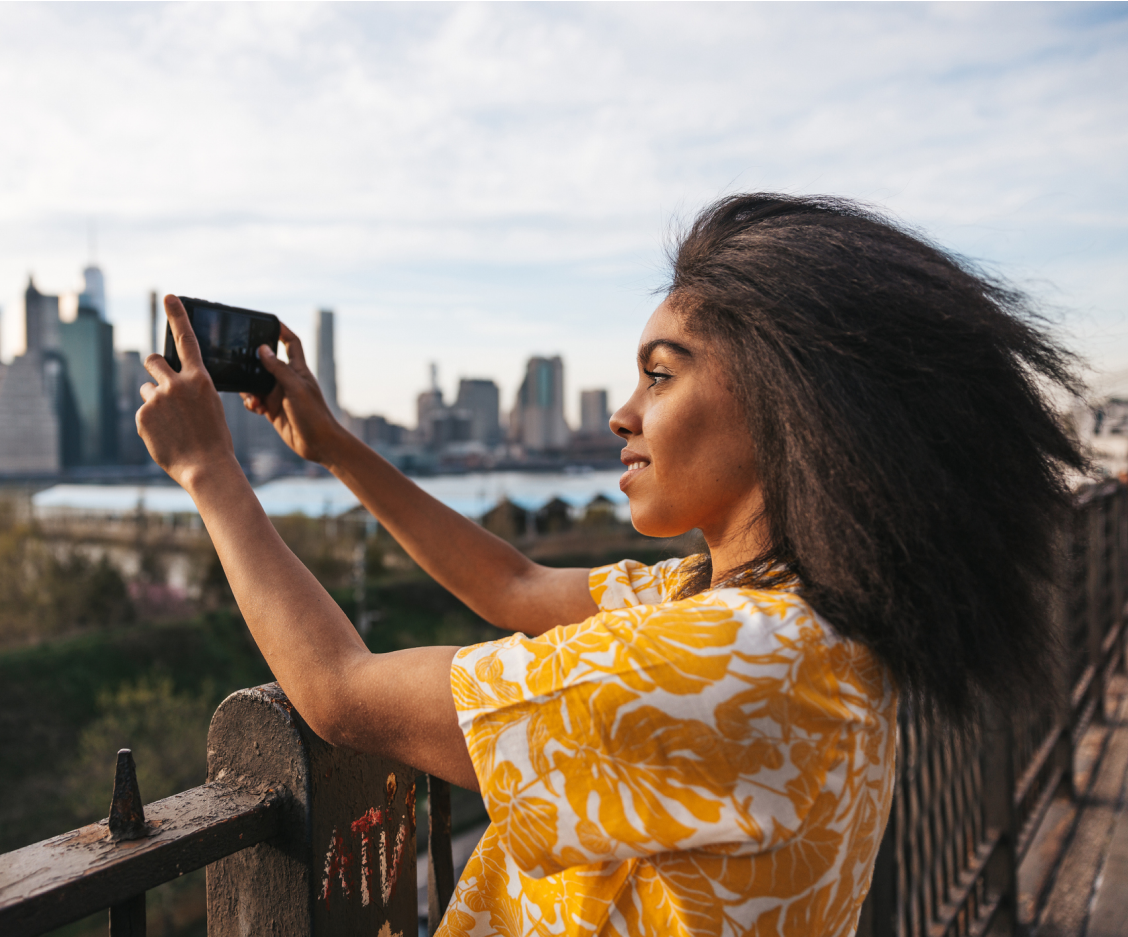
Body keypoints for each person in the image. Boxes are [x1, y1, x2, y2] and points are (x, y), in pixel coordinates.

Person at [136, 194, 1083, 937]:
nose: (623, 414)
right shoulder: (762, 611)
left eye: (661, 375)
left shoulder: (727, 662)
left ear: (791, 409)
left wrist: (210, 474)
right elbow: (509, 586)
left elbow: (341, 693)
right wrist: (337, 448)